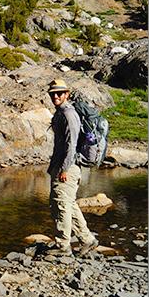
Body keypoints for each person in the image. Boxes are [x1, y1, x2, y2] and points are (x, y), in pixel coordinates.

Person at [46, 79, 99, 256]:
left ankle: (62, 245)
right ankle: (88, 239)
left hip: (69, 166)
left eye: (59, 93)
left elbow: (72, 144)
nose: (55, 96)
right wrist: (53, 165)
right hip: (60, 164)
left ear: (66, 94)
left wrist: (65, 169)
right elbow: (59, 145)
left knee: (61, 204)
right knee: (68, 204)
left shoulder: (69, 114)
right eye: (53, 93)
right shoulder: (59, 113)